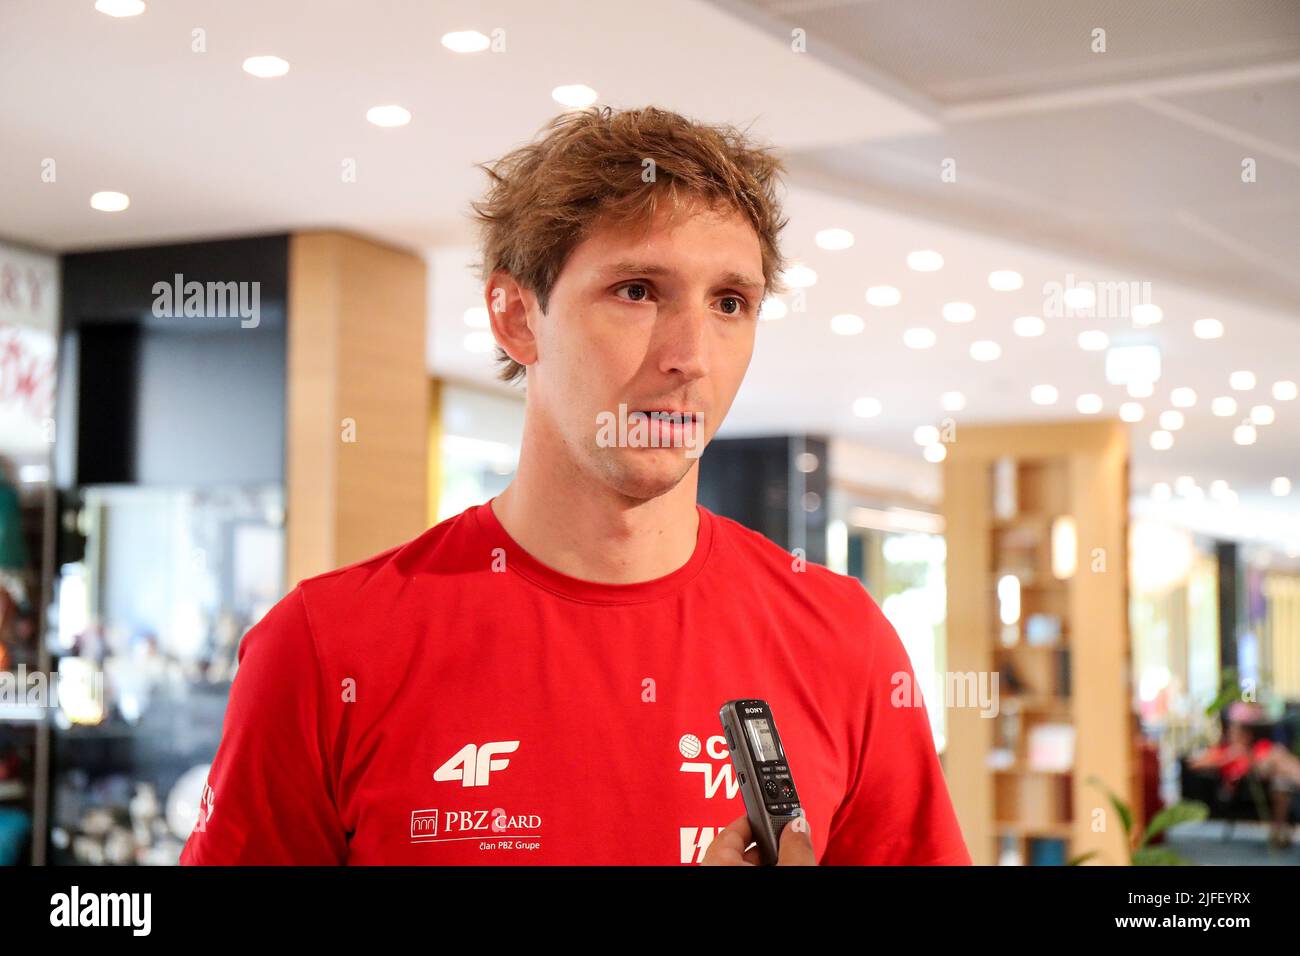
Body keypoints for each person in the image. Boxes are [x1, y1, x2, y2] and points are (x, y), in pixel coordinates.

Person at [180, 106, 971, 866]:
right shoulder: (325, 649)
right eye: (637, 291)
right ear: (517, 317)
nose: (691, 355)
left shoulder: (843, 643)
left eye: (730, 303)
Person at [1188, 704, 1300, 848]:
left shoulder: (1258, 747)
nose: (1238, 734)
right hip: (1247, 780)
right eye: (1235, 730)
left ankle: (1277, 833)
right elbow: (1194, 764)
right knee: (1277, 756)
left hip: (1268, 774)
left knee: (1281, 781)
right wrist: (1227, 757)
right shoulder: (1224, 751)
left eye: (1242, 730)